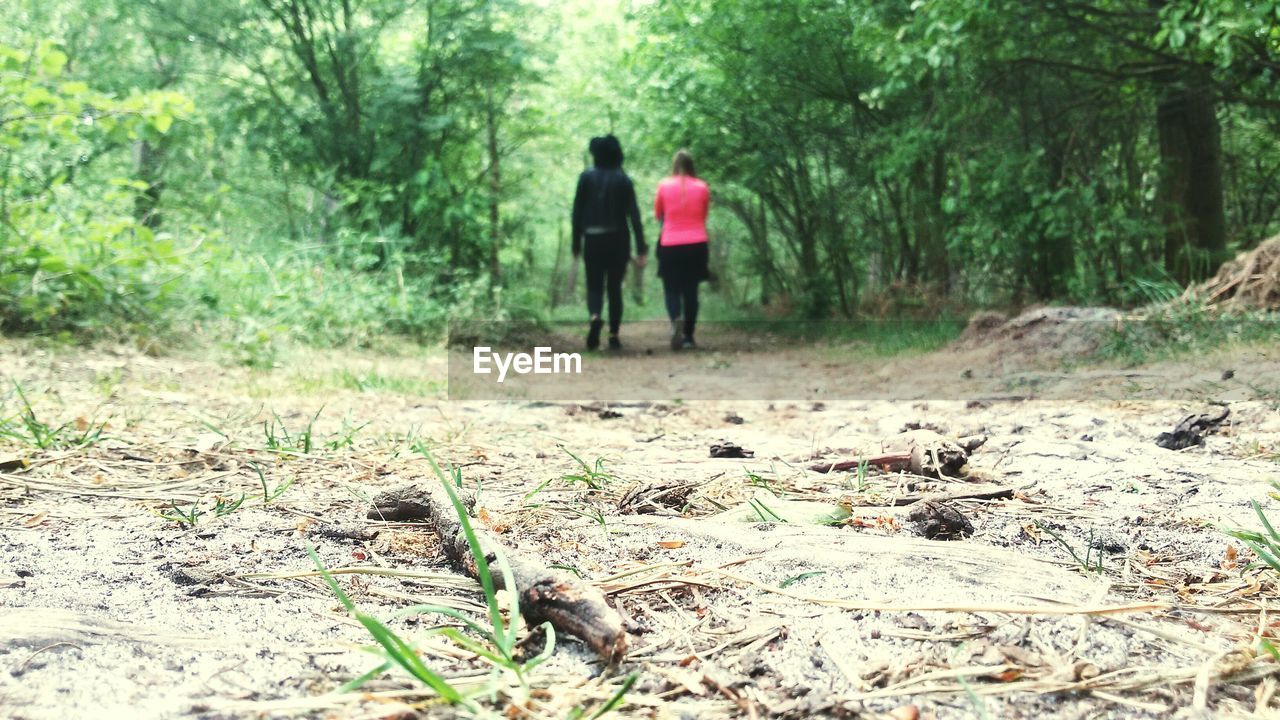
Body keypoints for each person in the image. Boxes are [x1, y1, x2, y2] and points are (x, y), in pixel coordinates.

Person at [571, 135, 647, 350]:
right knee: (615, 288)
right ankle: (614, 335)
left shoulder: (585, 177)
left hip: (593, 239)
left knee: (594, 283)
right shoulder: (624, 180)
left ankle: (595, 316)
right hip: (618, 240)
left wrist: (576, 242)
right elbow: (634, 215)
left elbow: (577, 212)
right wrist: (641, 247)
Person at [653, 149, 710, 350]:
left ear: (674, 165)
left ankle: (675, 319)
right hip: (696, 243)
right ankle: (688, 336)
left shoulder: (663, 185)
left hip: (670, 243)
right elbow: (703, 215)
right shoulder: (702, 187)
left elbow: (658, 213)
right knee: (691, 290)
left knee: (671, 288)